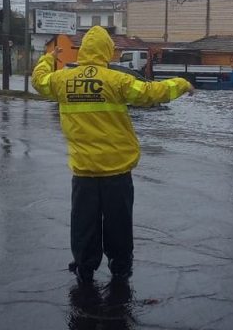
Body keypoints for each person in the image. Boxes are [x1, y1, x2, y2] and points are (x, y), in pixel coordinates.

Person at [32, 26, 193, 286]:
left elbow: (39, 81)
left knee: (84, 222)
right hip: (116, 169)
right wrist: (181, 84)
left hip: (83, 170)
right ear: (107, 51)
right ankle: (120, 268)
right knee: (118, 222)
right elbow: (152, 93)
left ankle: (84, 266)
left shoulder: (63, 80)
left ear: (83, 51)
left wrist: (49, 57)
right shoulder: (117, 80)